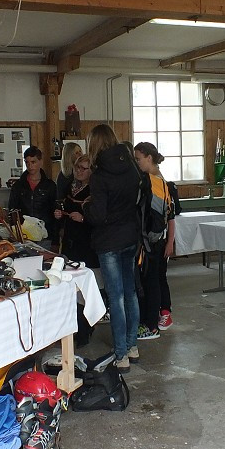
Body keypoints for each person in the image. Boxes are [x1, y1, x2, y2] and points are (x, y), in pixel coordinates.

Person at [82, 124, 141, 372]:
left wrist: (85, 207)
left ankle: (121, 355)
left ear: (94, 145)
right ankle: (132, 346)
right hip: (131, 237)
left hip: (109, 242)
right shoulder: (132, 167)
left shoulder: (100, 176)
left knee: (115, 298)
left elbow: (98, 215)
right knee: (130, 293)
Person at [133, 142, 179, 340]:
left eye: (138, 159)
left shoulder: (153, 183)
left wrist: (169, 241)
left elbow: (169, 216)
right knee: (157, 280)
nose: (136, 163)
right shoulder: (159, 181)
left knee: (151, 282)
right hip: (157, 241)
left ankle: (151, 326)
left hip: (152, 243)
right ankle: (158, 318)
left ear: (149, 158)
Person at [57, 154, 99, 347]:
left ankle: (85, 330)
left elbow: (98, 219)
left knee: (85, 291)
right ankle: (72, 328)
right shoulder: (70, 187)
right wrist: (60, 213)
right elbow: (64, 208)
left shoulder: (95, 190)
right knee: (69, 288)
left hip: (87, 243)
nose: (80, 172)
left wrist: (83, 218)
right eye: (77, 168)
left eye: (84, 168)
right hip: (70, 241)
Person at [8, 145, 58, 245]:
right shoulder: (18, 186)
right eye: (27, 162)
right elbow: (12, 209)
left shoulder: (50, 186)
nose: (30, 166)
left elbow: (55, 211)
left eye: (33, 162)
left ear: (40, 162)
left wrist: (56, 236)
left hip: (44, 233)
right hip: (24, 234)